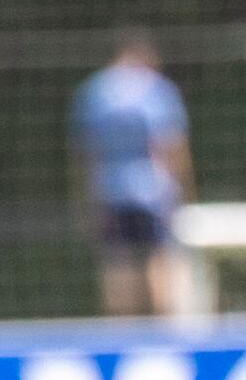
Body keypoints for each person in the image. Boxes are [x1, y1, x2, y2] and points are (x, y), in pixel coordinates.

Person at [71, 32, 194, 320]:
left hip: (109, 189)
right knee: (160, 256)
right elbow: (169, 145)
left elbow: (85, 152)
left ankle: (122, 328)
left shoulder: (95, 91)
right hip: (154, 189)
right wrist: (183, 190)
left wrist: (85, 199)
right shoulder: (156, 89)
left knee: (118, 260)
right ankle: (163, 324)